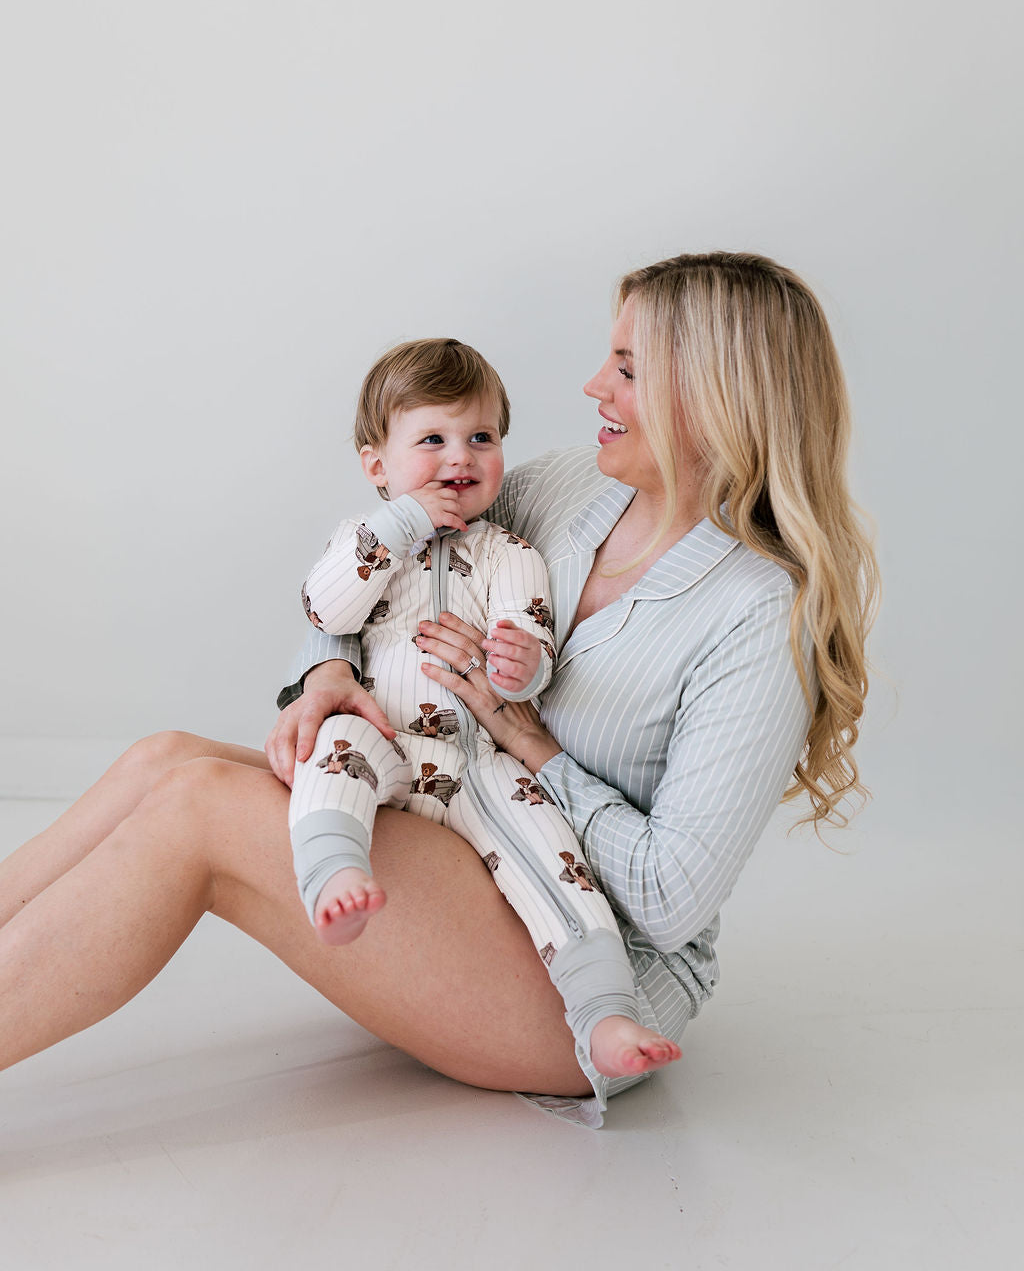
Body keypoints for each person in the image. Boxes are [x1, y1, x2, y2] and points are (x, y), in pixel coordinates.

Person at [0, 251, 877, 1129]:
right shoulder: (569, 489)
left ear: (714, 396)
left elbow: (669, 898)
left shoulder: (761, 613)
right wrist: (328, 668)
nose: (593, 386)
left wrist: (532, 744)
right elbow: (396, 566)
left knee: (197, 807)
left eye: (627, 369)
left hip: (590, 969)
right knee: (163, 761)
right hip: (458, 828)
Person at [289, 336, 681, 1081]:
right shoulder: (366, 542)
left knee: (553, 854)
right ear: (377, 465)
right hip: (386, 738)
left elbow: (530, 635)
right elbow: (325, 606)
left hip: (478, 763)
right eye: (431, 440)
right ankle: (334, 876)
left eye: (481, 438)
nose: (458, 459)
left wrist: (524, 664)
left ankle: (603, 1011)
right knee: (331, 748)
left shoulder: (510, 552)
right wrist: (402, 525)